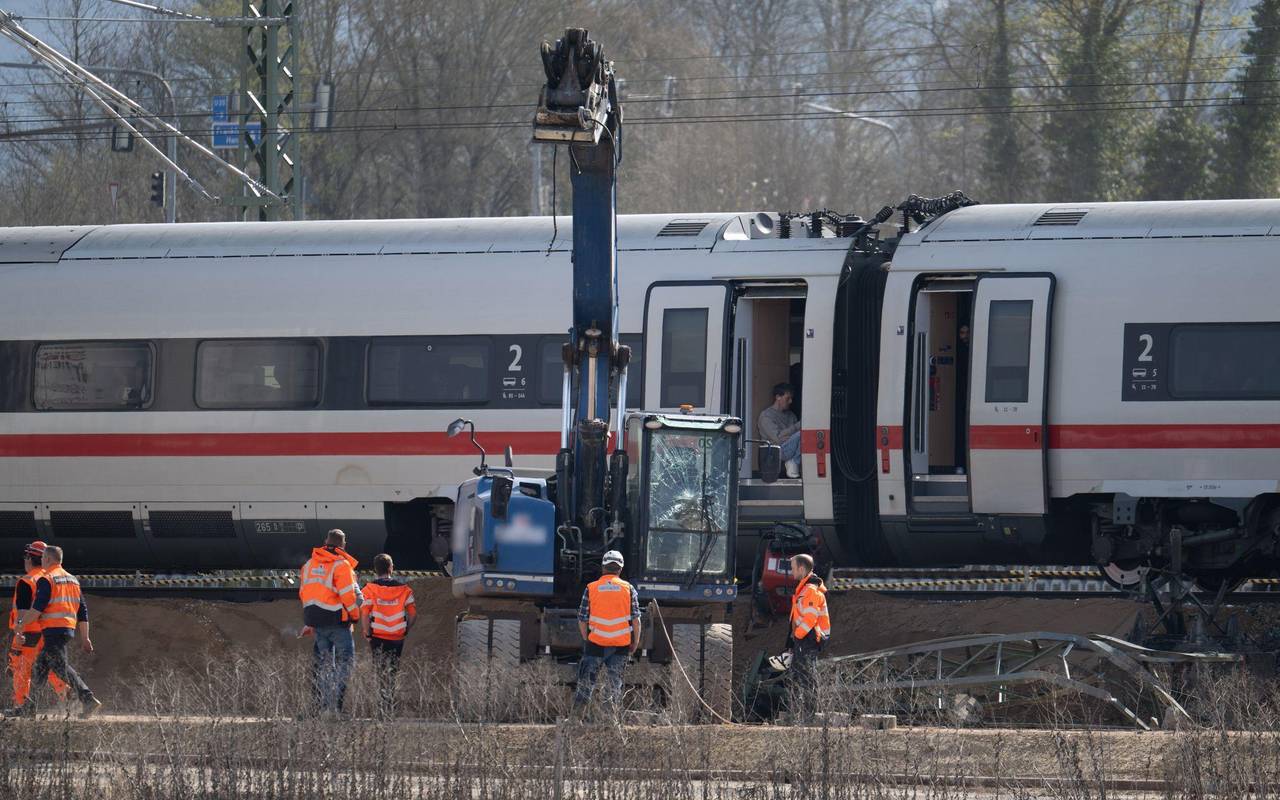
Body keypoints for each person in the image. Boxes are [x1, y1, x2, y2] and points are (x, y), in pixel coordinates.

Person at [8, 546, 100, 717]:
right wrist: (85, 637)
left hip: (52, 630)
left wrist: (20, 624)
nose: (42, 562)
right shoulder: (73, 580)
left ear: (48, 559)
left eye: (43, 559)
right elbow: (83, 611)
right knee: (40, 669)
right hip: (67, 630)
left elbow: (37, 609)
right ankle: (30, 707)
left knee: (60, 667)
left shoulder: (47, 579)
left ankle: (87, 698)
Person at [299, 528, 362, 717]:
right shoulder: (341, 565)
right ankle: (335, 707)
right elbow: (349, 597)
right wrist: (355, 616)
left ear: (326, 540)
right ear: (343, 544)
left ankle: (325, 707)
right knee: (345, 662)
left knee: (325, 665)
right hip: (336, 621)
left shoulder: (309, 564)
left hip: (316, 622)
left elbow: (304, 593)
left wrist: (310, 620)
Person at [572, 550, 640, 719]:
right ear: (620, 568)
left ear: (603, 567)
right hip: (620, 646)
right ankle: (610, 723)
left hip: (596, 644)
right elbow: (636, 620)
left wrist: (586, 638)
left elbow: (582, 618)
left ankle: (576, 720)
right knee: (613, 686)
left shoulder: (591, 588)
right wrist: (635, 642)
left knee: (586, 684)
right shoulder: (628, 589)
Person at [7, 541, 68, 711]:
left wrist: (18, 633)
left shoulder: (27, 581)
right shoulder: (49, 578)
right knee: (48, 666)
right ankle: (66, 693)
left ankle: (21, 705)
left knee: (21, 670)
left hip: (28, 633)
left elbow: (22, 611)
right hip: (48, 631)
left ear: (28, 558)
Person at [360, 553, 416, 718]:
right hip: (397, 637)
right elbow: (413, 615)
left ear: (375, 570)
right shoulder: (405, 590)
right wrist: (405, 628)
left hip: (377, 636)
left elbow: (364, 614)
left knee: (380, 671)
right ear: (391, 568)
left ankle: (382, 709)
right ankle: (390, 706)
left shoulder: (369, 589)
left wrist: (367, 632)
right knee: (392, 671)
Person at [787, 553, 830, 723]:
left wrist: (796, 637)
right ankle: (803, 714)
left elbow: (810, 620)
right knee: (801, 676)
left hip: (809, 639)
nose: (791, 572)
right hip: (804, 639)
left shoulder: (810, 591)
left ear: (802, 569)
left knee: (807, 677)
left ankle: (810, 716)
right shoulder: (804, 590)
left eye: (793, 568)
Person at [758, 382, 802, 478]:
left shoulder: (791, 415)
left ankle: (793, 462)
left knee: (807, 434)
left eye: (791, 398)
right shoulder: (766, 416)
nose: (790, 401)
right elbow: (778, 438)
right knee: (803, 434)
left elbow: (789, 437)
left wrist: (790, 436)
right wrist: (797, 427)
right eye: (788, 398)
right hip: (775, 452)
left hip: (791, 449)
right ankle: (794, 462)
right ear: (778, 397)